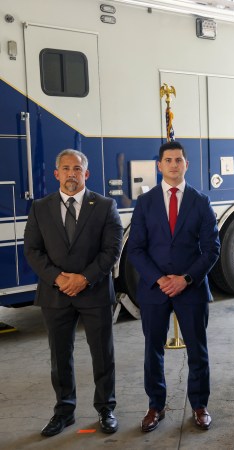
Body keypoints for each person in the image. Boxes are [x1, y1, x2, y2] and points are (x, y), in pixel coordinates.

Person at [24, 149, 123, 437]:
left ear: (86, 174)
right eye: (66, 169)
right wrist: (58, 278)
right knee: (60, 356)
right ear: (56, 174)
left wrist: (84, 279)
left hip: (94, 293)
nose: (71, 174)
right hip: (55, 295)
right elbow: (32, 250)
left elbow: (112, 250)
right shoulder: (40, 208)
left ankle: (106, 408)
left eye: (77, 169)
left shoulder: (104, 206)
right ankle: (64, 411)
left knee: (103, 354)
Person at [127, 141, 220, 432]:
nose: (173, 165)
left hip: (191, 288)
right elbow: (135, 249)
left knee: (198, 351)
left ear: (186, 165)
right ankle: (155, 406)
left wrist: (185, 279)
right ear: (159, 165)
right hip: (154, 290)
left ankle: (200, 406)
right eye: (168, 160)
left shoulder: (200, 201)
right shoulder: (145, 202)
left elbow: (212, 249)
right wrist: (159, 279)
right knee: (153, 351)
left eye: (178, 160)